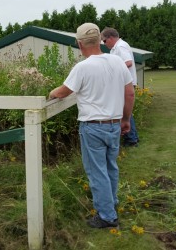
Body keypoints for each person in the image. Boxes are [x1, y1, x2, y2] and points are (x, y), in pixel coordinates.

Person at [49, 23, 134, 228]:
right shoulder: (117, 62)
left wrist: (51, 94)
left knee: (97, 172)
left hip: (93, 127)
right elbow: (130, 93)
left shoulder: (83, 67)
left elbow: (62, 92)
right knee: (110, 167)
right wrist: (125, 119)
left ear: (80, 44)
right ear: (99, 41)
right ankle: (111, 203)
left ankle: (107, 216)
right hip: (114, 124)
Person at [101, 27, 140, 147]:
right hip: (124, 83)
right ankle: (132, 137)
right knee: (126, 111)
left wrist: (112, 71)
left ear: (110, 38)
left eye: (104, 41)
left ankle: (131, 139)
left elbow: (128, 62)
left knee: (125, 111)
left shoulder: (120, 46)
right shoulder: (116, 47)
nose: (103, 43)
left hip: (125, 84)